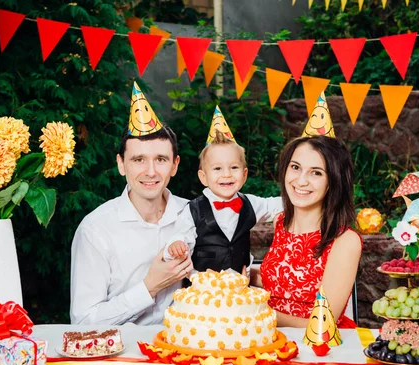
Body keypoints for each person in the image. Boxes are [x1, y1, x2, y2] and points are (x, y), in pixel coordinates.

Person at [70, 83, 193, 325]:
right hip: (122, 356)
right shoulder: (96, 229)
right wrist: (149, 287)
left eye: (161, 159)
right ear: (121, 164)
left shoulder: (193, 214)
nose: (150, 171)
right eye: (138, 160)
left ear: (175, 165)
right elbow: (83, 322)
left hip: (186, 349)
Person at [256, 92, 362, 328]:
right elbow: (281, 285)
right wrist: (249, 281)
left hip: (320, 352)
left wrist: (255, 313)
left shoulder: (345, 240)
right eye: (295, 167)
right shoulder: (281, 223)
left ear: (333, 181)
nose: (300, 181)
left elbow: (323, 322)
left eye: (316, 172)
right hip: (270, 344)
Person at [164, 106, 282, 276]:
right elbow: (182, 235)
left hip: (239, 286)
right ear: (203, 177)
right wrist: (176, 245)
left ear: (244, 174)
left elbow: (277, 204)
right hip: (203, 288)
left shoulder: (251, 203)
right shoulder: (193, 209)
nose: (226, 174)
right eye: (217, 168)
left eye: (234, 167)